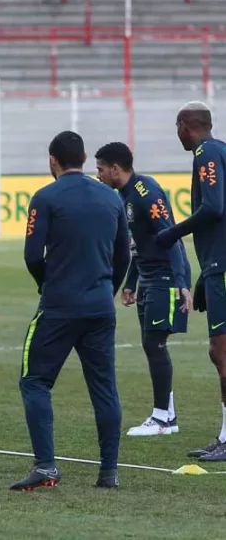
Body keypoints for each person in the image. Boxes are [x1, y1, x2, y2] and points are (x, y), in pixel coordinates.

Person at [13, 131, 131, 491]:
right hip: (99, 308)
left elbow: (33, 255)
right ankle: (109, 472)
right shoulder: (110, 198)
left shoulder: (45, 197)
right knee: (104, 388)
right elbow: (123, 256)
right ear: (82, 158)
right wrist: (104, 292)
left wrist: (47, 284)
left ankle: (47, 466)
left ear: (53, 160)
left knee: (34, 381)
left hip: (60, 306)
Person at [95, 142, 191, 437]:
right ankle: (167, 415)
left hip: (165, 278)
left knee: (154, 343)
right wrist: (131, 283)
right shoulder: (123, 196)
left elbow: (171, 236)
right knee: (151, 345)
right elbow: (139, 243)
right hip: (148, 278)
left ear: (115, 169)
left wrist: (181, 283)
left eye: (100, 169)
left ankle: (162, 418)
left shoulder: (146, 191)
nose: (98, 175)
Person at [155, 101, 226, 462]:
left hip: (222, 265)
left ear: (185, 125)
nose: (177, 134)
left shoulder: (206, 153)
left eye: (177, 127)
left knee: (221, 351)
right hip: (218, 264)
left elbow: (213, 207)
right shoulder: (220, 151)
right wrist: (206, 272)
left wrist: (172, 233)